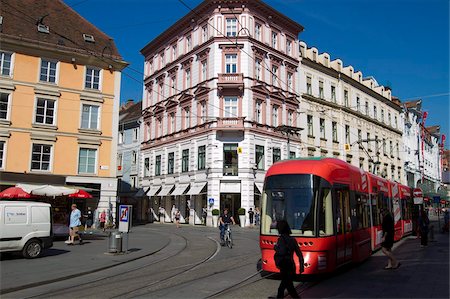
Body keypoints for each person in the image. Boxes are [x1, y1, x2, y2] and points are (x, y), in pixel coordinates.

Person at [275, 220, 304, 298]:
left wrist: (276, 248)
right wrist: (301, 266)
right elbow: (299, 254)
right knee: (290, 288)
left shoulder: (281, 239)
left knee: (281, 289)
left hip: (284, 267)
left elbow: (282, 251)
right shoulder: (292, 239)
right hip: (291, 266)